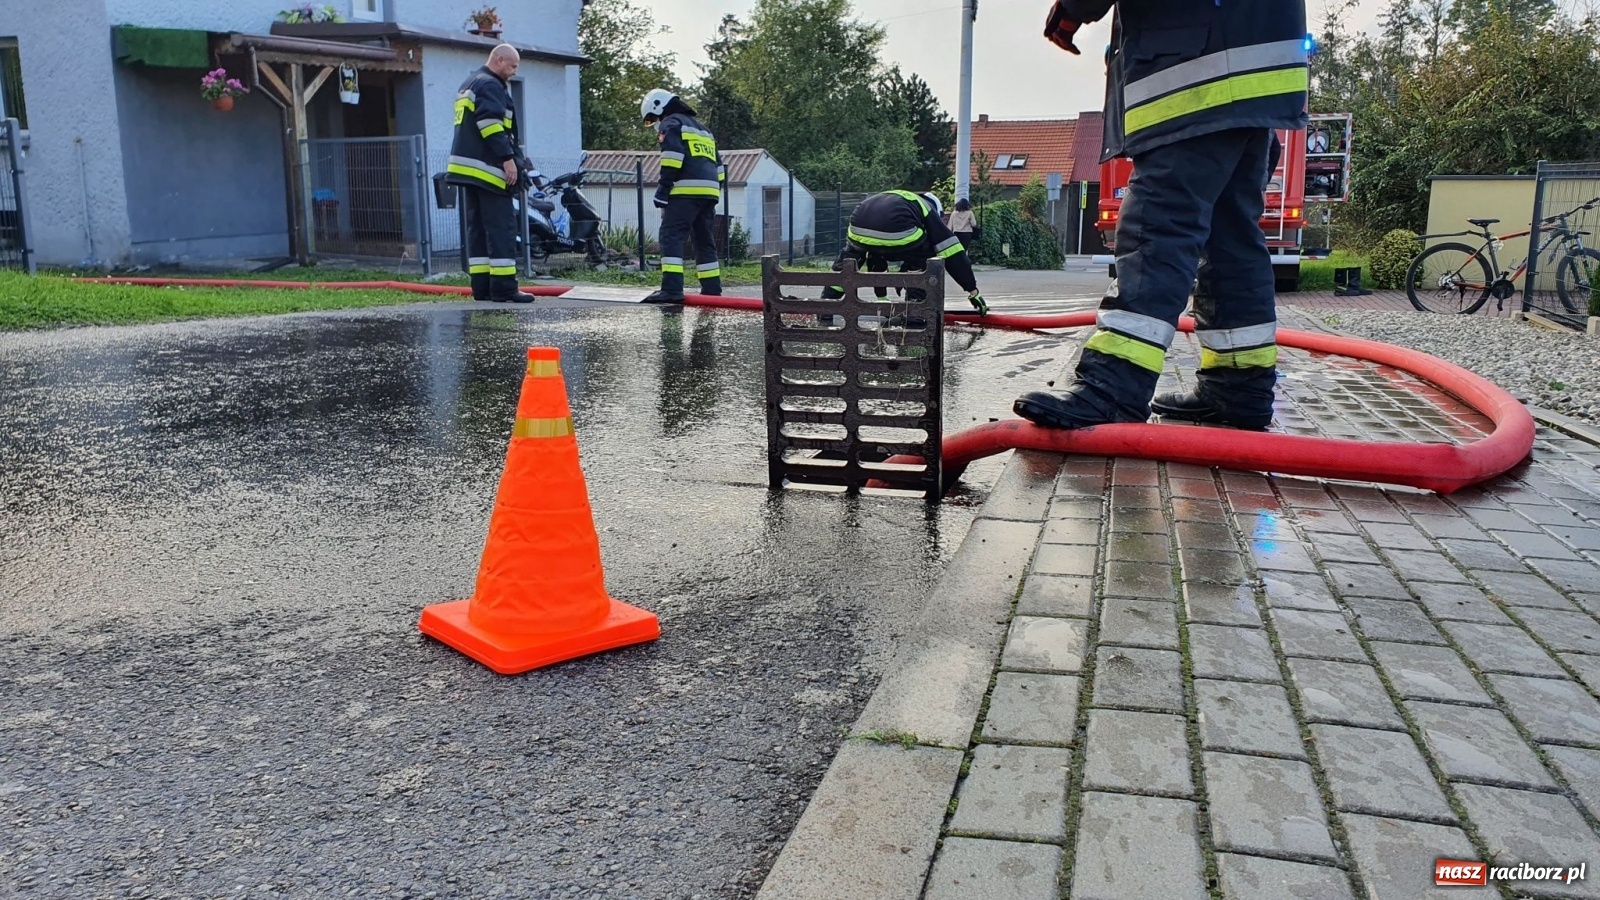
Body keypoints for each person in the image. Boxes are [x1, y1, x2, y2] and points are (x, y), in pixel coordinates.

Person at [1014, 0, 1308, 431]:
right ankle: (1239, 389)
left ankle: (1114, 388)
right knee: (1231, 241)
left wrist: (1074, 9)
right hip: (1257, 75)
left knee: (1157, 228)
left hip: (1196, 68)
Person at [445, 45, 526, 303]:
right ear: (499, 60)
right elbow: (490, 124)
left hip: (468, 171)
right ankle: (504, 289)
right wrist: (508, 159)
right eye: (512, 66)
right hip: (489, 170)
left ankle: (482, 289)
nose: (514, 72)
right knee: (501, 228)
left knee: (477, 230)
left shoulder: (470, 82)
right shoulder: (490, 84)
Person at [823, 190, 988, 315]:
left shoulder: (896, 197)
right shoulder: (927, 208)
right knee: (925, 253)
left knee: (849, 260)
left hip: (857, 226)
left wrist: (881, 298)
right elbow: (953, 252)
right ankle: (915, 307)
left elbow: (876, 258)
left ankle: (826, 305)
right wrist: (972, 290)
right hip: (897, 229)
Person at [640, 89, 724, 303]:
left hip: (684, 193)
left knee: (671, 236)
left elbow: (672, 159)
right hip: (709, 193)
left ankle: (672, 289)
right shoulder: (704, 130)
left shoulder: (671, 124)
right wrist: (713, 190)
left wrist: (662, 191)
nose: (655, 124)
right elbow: (719, 167)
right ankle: (712, 290)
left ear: (659, 108)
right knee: (704, 241)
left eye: (652, 118)